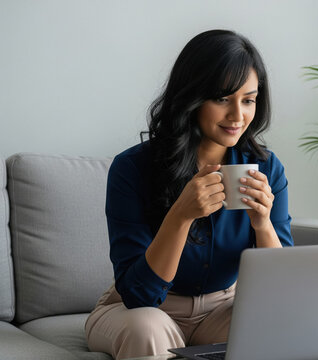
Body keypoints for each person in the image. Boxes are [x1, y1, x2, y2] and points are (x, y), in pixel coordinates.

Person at [85, 29, 293, 360]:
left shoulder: (266, 169)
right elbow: (139, 294)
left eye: (248, 100)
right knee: (148, 328)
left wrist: (263, 224)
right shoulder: (133, 169)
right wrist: (181, 216)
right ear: (192, 95)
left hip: (221, 308)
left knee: (275, 327)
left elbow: (282, 292)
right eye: (223, 98)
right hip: (139, 311)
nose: (238, 116)